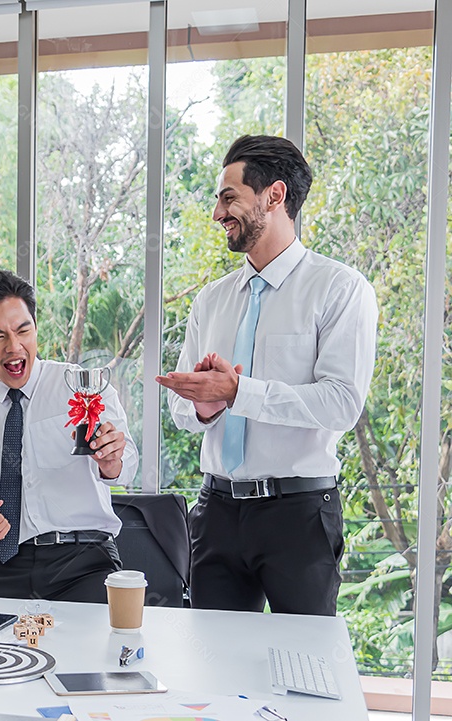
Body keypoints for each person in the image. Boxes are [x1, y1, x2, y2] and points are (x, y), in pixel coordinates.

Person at [156, 135, 378, 616]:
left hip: (297, 514)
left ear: (274, 196)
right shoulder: (211, 299)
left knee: (302, 667)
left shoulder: (339, 289)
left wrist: (239, 392)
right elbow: (183, 413)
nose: (218, 213)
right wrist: (205, 405)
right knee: (214, 665)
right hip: (215, 512)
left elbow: (341, 403)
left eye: (228, 196)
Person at [0, 270, 138, 602]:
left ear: (35, 328)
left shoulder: (83, 387)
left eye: (23, 330)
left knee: (91, 650)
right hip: (4, 567)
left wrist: (112, 460)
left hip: (85, 560)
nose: (14, 347)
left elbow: (126, 468)